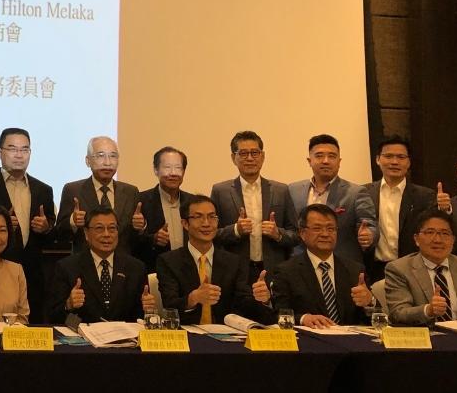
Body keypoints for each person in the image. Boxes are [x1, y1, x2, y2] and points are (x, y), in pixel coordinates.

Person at [0, 127, 54, 317]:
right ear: (0, 153)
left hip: (32, 274)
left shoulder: (44, 189)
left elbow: (52, 234)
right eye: (12, 149)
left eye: (24, 150)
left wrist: (46, 228)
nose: (19, 155)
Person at [156, 195, 276, 326]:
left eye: (212, 217)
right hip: (186, 334)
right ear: (185, 224)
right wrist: (193, 298)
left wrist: (263, 300)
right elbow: (169, 306)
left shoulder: (234, 262)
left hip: (226, 336)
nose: (206, 223)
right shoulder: (169, 261)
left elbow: (244, 305)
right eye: (198, 217)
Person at [210, 131, 297, 283]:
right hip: (235, 270)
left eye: (254, 153)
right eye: (243, 153)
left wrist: (278, 234)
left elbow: (296, 234)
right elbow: (211, 234)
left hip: (273, 269)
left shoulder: (281, 190)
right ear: (233, 158)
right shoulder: (220, 191)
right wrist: (236, 230)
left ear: (262, 156)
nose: (249, 158)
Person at [270, 203, 374, 327]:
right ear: (302, 233)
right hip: (309, 341)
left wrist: (369, 302)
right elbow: (279, 314)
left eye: (330, 229)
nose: (325, 234)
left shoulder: (355, 270)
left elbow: (371, 319)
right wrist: (303, 318)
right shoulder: (286, 271)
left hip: (349, 341)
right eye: (317, 228)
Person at [48, 204, 154, 325]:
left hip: (124, 339)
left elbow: (139, 318)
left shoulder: (136, 268)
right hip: (83, 340)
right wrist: (68, 305)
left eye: (112, 228)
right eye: (99, 228)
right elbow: (52, 317)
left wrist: (147, 309)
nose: (107, 234)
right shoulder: (67, 267)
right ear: (86, 233)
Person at [383, 210, 457, 325]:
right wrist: (428, 310)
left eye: (445, 233)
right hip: (424, 338)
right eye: (430, 232)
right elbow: (398, 313)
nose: (438, 240)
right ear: (416, 239)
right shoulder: (399, 269)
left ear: (453, 240)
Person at [287, 134, 377, 265]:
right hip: (301, 265)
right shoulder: (293, 190)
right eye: (319, 156)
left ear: (339, 162)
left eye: (332, 156)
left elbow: (370, 224)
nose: (326, 161)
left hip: (342, 265)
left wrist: (369, 235)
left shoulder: (356, 192)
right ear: (309, 161)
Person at [363, 134, 437, 280]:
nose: (394, 162)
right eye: (388, 156)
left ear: (409, 162)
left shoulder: (424, 196)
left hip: (412, 269)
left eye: (401, 157)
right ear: (378, 159)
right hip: (373, 269)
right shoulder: (363, 193)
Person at [53, 136, 140, 251]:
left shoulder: (131, 192)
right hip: (84, 263)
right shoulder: (73, 190)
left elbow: (135, 239)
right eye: (100, 156)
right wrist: (72, 222)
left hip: (122, 263)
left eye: (113, 156)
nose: (107, 163)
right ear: (88, 161)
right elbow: (60, 233)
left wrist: (141, 227)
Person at [135, 146, 196, 272]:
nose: (173, 173)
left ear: (184, 171)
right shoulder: (140, 201)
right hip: (154, 270)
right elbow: (131, 242)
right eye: (167, 167)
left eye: (178, 168)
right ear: (156, 170)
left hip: (188, 271)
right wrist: (153, 239)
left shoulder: (193, 202)